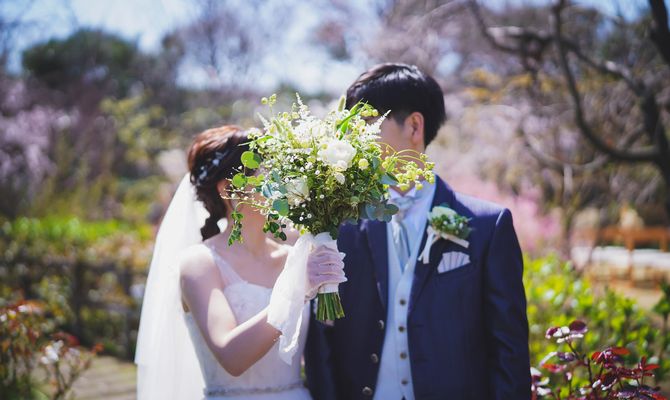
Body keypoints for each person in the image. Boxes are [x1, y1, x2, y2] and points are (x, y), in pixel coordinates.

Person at [305, 63, 531, 399]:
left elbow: (509, 350)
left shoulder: (487, 226)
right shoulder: (340, 227)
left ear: (414, 126)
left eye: (367, 125)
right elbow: (322, 341)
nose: (355, 142)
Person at [135, 125, 346, 400]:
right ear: (229, 189)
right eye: (268, 173)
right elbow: (232, 356)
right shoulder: (199, 264)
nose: (282, 183)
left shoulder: (294, 259)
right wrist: (297, 290)